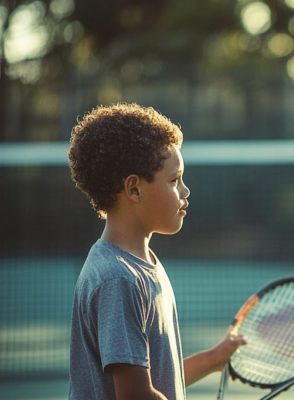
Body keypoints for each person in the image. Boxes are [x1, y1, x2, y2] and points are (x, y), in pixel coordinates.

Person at [67, 103, 246, 400]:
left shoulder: (141, 264)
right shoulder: (118, 280)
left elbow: (154, 379)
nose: (185, 191)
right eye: (174, 180)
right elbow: (136, 396)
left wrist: (213, 358)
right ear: (134, 189)